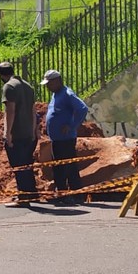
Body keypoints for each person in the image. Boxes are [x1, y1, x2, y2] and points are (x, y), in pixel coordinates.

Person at [41, 69, 89, 204]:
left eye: (49, 83)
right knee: (58, 168)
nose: (47, 87)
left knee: (69, 167)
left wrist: (72, 126)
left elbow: (83, 108)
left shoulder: (67, 94)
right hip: (56, 140)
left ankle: (76, 195)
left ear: (57, 81)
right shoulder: (56, 94)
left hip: (66, 139)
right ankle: (62, 194)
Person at [0, 61, 38, 207]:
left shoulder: (9, 87)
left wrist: (7, 133)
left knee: (19, 167)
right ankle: (32, 194)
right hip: (28, 133)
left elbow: (10, 111)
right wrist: (34, 130)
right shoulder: (27, 86)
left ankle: (23, 198)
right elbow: (33, 110)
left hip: (17, 134)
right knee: (27, 165)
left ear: (1, 75)